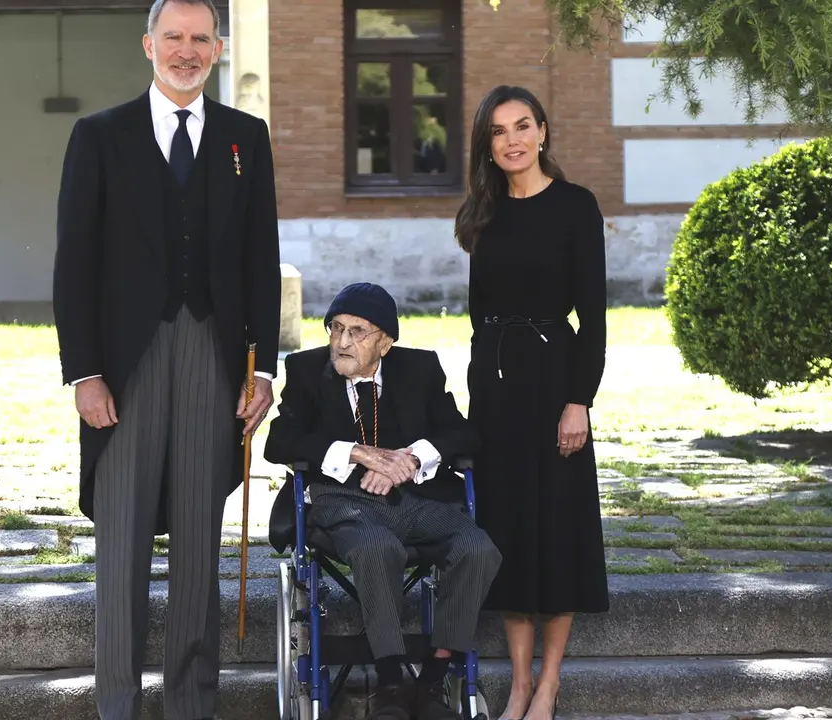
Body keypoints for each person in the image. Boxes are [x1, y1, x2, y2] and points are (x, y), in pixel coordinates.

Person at [51, 0, 281, 716]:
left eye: (200, 39)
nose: (187, 51)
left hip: (213, 357)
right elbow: (74, 264)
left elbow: (261, 261)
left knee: (195, 549)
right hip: (125, 365)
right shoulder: (99, 136)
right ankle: (116, 703)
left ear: (218, 48)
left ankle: (191, 704)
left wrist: (264, 368)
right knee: (118, 545)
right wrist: (84, 371)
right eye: (173, 38)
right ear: (148, 44)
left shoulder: (247, 138)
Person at [264, 283, 502, 720]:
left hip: (415, 499)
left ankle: (432, 679)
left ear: (385, 342)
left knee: (478, 548)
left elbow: (463, 433)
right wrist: (356, 452)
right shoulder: (306, 370)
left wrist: (411, 457)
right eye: (335, 328)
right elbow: (280, 440)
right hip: (341, 502)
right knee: (377, 548)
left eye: (357, 332)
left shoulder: (419, 368)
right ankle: (392, 682)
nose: (341, 342)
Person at [453, 85, 609, 720]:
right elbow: (475, 314)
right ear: (487, 146)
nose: (512, 140)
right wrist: (476, 394)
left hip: (553, 382)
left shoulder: (576, 207)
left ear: (543, 131)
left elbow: (594, 317)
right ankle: (518, 685)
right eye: (498, 131)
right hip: (495, 390)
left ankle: (549, 686)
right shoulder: (482, 211)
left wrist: (579, 401)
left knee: (559, 528)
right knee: (509, 532)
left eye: (523, 126)